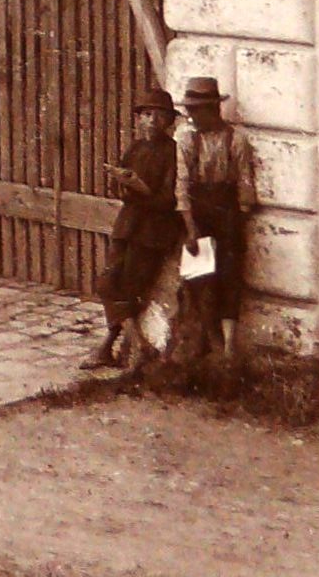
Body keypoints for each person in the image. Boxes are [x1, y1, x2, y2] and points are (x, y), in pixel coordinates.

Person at [87, 90, 181, 368]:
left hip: (152, 230)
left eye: (159, 116)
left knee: (130, 287)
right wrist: (121, 182)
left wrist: (144, 192)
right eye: (147, 115)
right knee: (106, 282)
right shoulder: (135, 148)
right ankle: (138, 345)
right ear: (139, 119)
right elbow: (116, 188)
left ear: (169, 122)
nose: (152, 121)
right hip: (127, 225)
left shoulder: (172, 152)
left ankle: (115, 348)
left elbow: (170, 198)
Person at [174, 75, 258, 359]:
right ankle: (209, 342)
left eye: (196, 111)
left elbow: (245, 183)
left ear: (213, 109)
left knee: (230, 278)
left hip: (228, 214)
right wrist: (190, 229)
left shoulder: (236, 139)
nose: (192, 117)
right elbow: (181, 185)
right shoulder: (186, 139)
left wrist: (239, 222)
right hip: (198, 217)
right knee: (200, 280)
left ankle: (229, 347)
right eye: (189, 110)